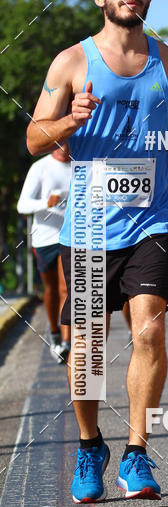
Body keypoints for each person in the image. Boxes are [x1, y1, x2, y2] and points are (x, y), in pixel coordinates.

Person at [26, 0, 168, 502]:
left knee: (149, 328)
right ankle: (89, 444)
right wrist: (67, 122)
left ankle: (136, 454)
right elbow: (33, 137)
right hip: (87, 228)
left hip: (153, 220)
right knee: (87, 350)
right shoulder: (72, 62)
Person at [17, 144, 72, 362]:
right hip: (44, 238)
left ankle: (67, 342)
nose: (66, 145)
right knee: (50, 289)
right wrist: (45, 202)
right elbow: (22, 205)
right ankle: (55, 333)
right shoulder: (40, 168)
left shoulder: (80, 166)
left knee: (65, 287)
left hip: (70, 237)